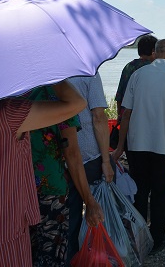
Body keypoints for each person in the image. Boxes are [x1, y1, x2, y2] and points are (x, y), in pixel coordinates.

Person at [0, 81, 90, 266]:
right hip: (9, 221)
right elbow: (72, 148)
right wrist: (55, 73)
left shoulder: (9, 102)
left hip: (13, 211)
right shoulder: (8, 111)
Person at [113, 39, 165, 253]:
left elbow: (126, 114)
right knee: (161, 192)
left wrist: (120, 146)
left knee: (140, 190)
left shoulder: (138, 75)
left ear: (155, 53)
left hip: (136, 144)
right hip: (164, 145)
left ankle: (138, 234)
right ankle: (157, 237)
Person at [27, 85, 104, 267]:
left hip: (13, 189)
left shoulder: (7, 92)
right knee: (51, 256)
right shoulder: (57, 92)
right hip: (51, 191)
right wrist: (90, 201)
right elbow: (73, 155)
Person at [65, 74, 115, 264]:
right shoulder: (87, 72)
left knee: (70, 218)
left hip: (58, 158)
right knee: (104, 212)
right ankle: (102, 256)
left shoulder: (47, 72)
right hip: (89, 154)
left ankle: (73, 258)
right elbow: (98, 116)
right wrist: (106, 161)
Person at [115, 34, 158, 115]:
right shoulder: (153, 68)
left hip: (126, 115)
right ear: (153, 51)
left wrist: (120, 116)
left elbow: (119, 95)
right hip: (144, 116)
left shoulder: (129, 66)